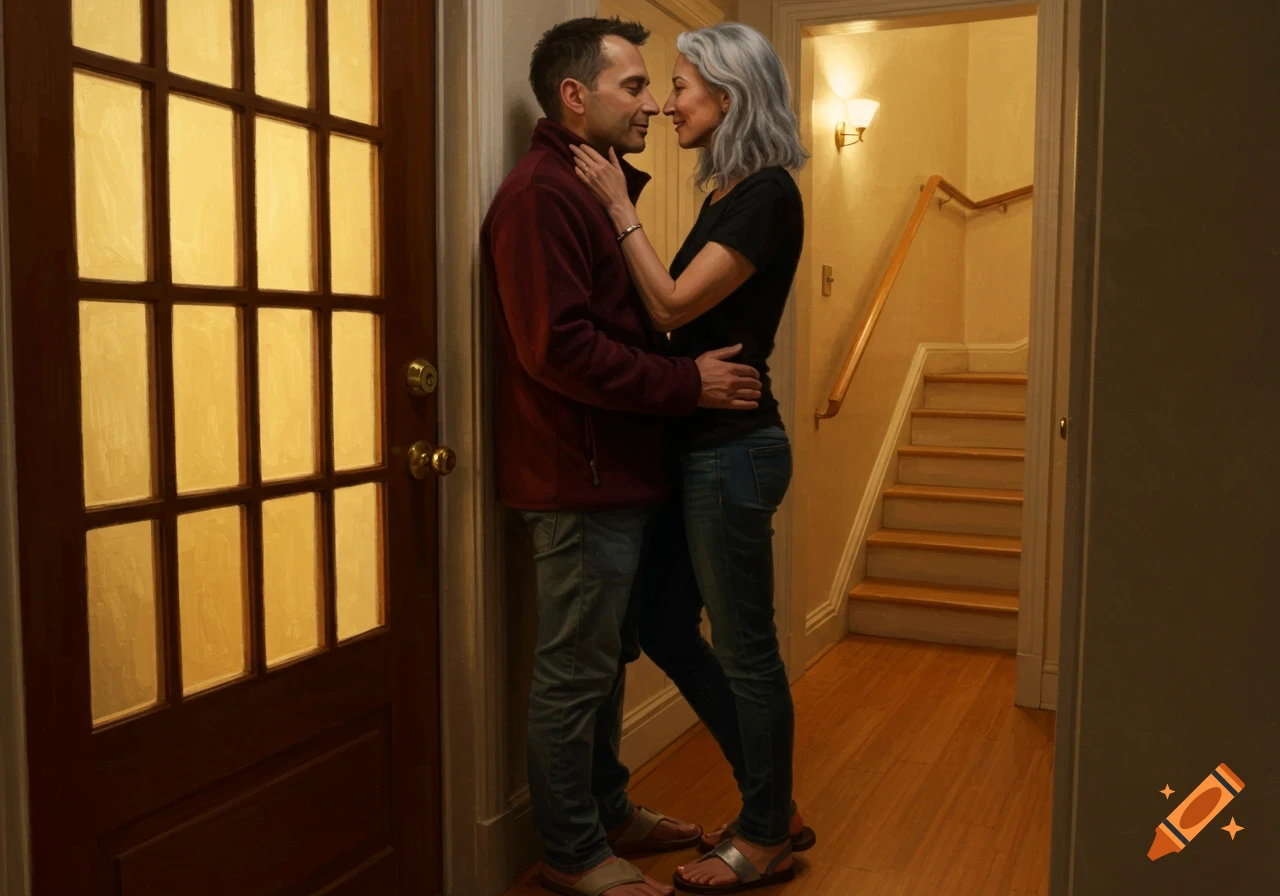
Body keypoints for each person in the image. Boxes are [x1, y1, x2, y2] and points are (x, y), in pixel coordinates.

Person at [481, 17, 768, 896]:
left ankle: (607, 811)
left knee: (604, 666)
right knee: (573, 675)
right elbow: (558, 348)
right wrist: (688, 385)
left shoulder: (585, 190)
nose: (652, 102)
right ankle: (571, 850)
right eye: (635, 86)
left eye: (655, 87)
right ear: (576, 97)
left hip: (613, 474)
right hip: (578, 480)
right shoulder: (540, 196)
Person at [571, 21, 813, 895]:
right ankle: (773, 798)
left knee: (747, 649)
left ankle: (764, 833)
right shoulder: (727, 193)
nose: (667, 104)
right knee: (666, 626)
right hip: (702, 448)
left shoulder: (768, 196)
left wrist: (616, 207)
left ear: (729, 95)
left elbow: (670, 306)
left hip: (735, 454)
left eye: (679, 87)